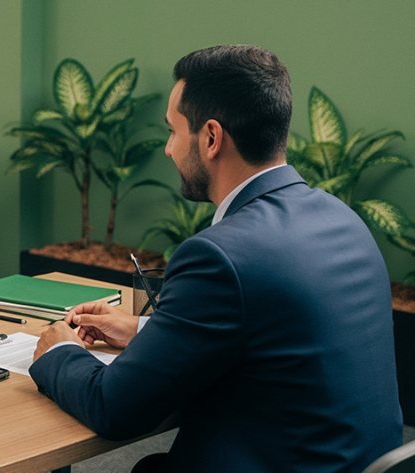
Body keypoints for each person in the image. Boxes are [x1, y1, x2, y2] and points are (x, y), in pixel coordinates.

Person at [30, 45, 403, 472]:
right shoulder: (343, 219)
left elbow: (113, 409)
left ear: (211, 138)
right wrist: (146, 331)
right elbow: (277, 334)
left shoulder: (219, 257)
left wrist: (58, 351)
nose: (169, 149)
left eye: (173, 131)